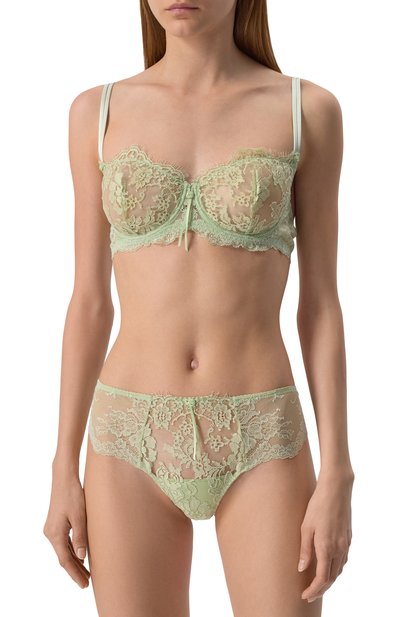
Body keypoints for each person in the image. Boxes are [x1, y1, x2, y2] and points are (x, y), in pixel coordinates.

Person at [43, 1, 355, 615]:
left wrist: (338, 470)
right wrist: (61, 467)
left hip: (261, 430)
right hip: (128, 434)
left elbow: (320, 305)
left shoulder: (306, 111)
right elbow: (89, 304)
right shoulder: (96, 112)